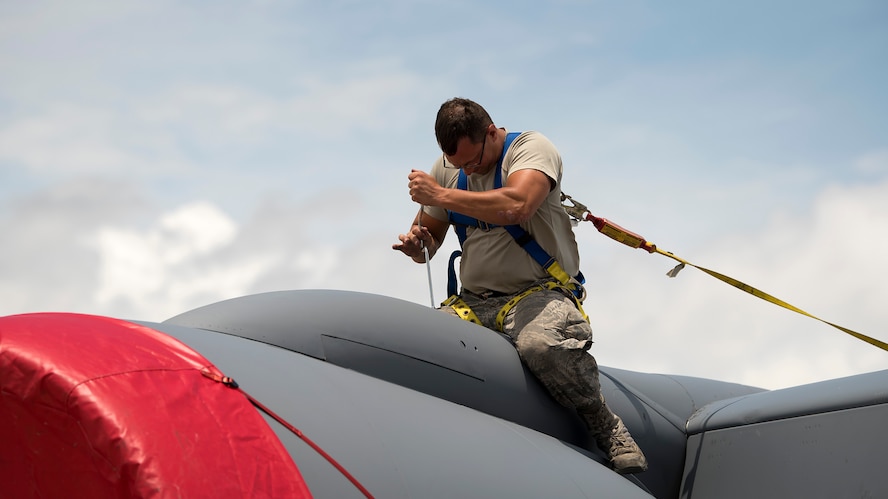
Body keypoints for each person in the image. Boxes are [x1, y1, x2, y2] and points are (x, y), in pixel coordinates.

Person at [392, 97, 648, 474]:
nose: (466, 170)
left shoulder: (530, 150)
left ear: (492, 133)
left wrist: (440, 194)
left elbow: (517, 205)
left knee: (541, 345)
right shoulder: (447, 169)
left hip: (537, 294)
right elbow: (430, 238)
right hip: (473, 302)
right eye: (456, 165)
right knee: (420, 345)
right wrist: (419, 246)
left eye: (473, 162)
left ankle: (605, 426)